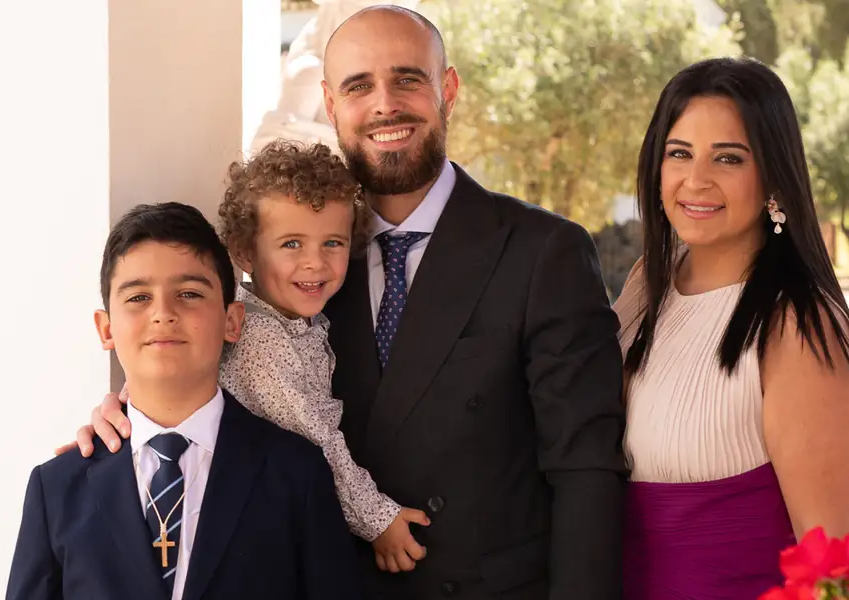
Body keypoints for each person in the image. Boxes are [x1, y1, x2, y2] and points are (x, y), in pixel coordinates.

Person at [73, 6, 627, 599]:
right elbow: (220, 353)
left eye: (408, 79)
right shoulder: (297, 263)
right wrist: (132, 408)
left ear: (448, 89)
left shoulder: (543, 251)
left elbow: (586, 469)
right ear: (332, 105)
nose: (385, 104)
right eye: (359, 86)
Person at [9, 202, 364, 600]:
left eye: (189, 293)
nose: (163, 313)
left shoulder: (296, 473)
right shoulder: (57, 488)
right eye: (138, 297)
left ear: (232, 321)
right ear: (106, 328)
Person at [614, 57, 849, 600]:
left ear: (771, 174)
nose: (696, 180)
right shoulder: (643, 288)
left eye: (728, 158)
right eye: (679, 153)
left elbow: (834, 564)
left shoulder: (799, 326)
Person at [217, 139, 431, 570]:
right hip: (261, 526)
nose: (315, 263)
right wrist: (377, 520)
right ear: (244, 253)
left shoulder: (302, 320)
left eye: (332, 243)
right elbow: (315, 437)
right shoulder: (259, 337)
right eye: (291, 244)